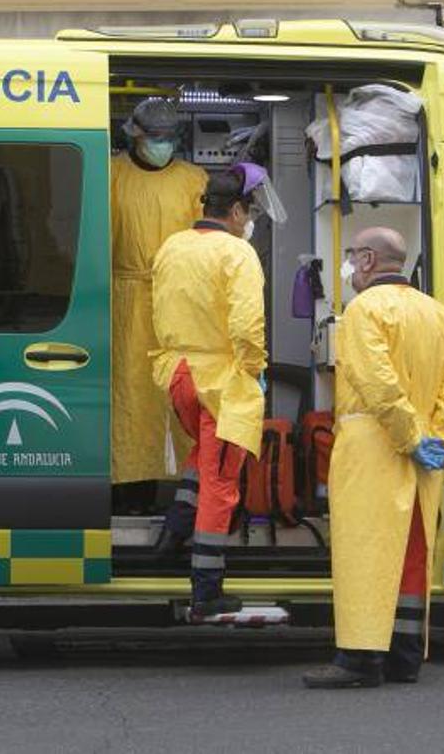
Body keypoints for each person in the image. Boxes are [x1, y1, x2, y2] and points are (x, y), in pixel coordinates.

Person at [303, 227, 444, 688]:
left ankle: (358, 661)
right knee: (412, 554)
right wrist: (438, 436)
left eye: (352, 257)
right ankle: (405, 657)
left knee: (367, 553)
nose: (350, 267)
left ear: (366, 261)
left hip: (373, 448)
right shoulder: (438, 313)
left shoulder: (363, 311)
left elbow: (377, 382)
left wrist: (409, 435)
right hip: (423, 459)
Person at [150, 164, 284, 618]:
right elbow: (248, 326)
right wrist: (254, 372)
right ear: (236, 210)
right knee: (221, 484)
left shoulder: (172, 246)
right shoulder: (237, 253)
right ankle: (206, 589)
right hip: (223, 382)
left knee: (202, 457)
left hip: (179, 374)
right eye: (247, 216)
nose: (248, 224)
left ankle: (173, 531)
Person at [110, 97, 207, 512]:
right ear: (135, 136)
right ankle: (129, 495)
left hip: (181, 303)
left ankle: (184, 499)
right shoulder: (110, 175)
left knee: (180, 396)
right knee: (130, 400)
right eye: (154, 137)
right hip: (126, 304)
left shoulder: (194, 179)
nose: (161, 144)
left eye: (168, 138)